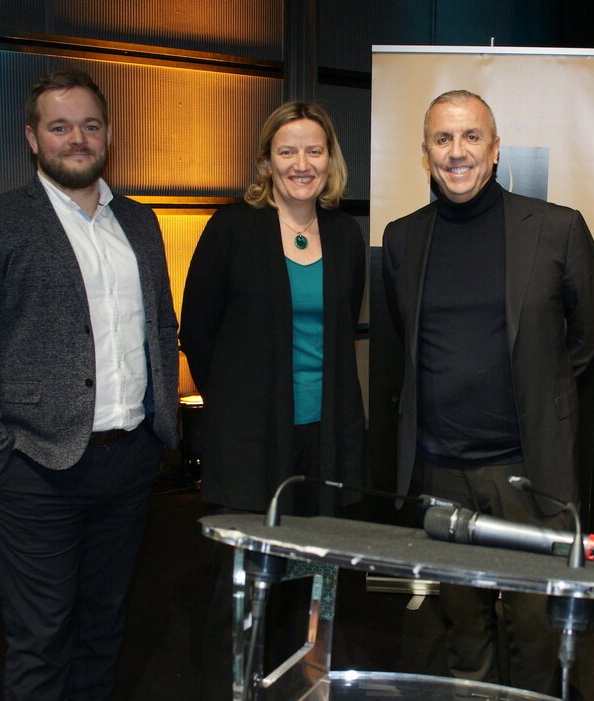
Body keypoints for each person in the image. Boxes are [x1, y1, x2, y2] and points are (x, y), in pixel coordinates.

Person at [0, 68, 179, 700]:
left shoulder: (142, 223)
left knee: (105, 629)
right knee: (40, 640)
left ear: (108, 135)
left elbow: (160, 326)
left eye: (90, 125)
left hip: (130, 463)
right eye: (60, 126)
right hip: (36, 469)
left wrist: (161, 430)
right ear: (32, 138)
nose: (77, 139)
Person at [382, 89, 594, 694]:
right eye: (443, 139)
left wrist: (537, 396)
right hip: (440, 475)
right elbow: (405, 347)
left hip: (529, 476)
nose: (458, 152)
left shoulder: (557, 229)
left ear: (497, 147)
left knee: (538, 641)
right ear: (425, 153)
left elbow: (586, 340)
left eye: (471, 137)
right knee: (463, 641)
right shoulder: (402, 240)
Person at [179, 101, 366, 699]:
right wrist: (236, 407)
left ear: (330, 160)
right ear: (265, 160)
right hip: (251, 440)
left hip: (326, 439)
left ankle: (301, 689)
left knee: (314, 584)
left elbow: (343, 329)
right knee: (245, 587)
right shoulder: (232, 227)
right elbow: (197, 331)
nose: (301, 163)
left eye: (314, 150)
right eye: (287, 150)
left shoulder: (343, 232)